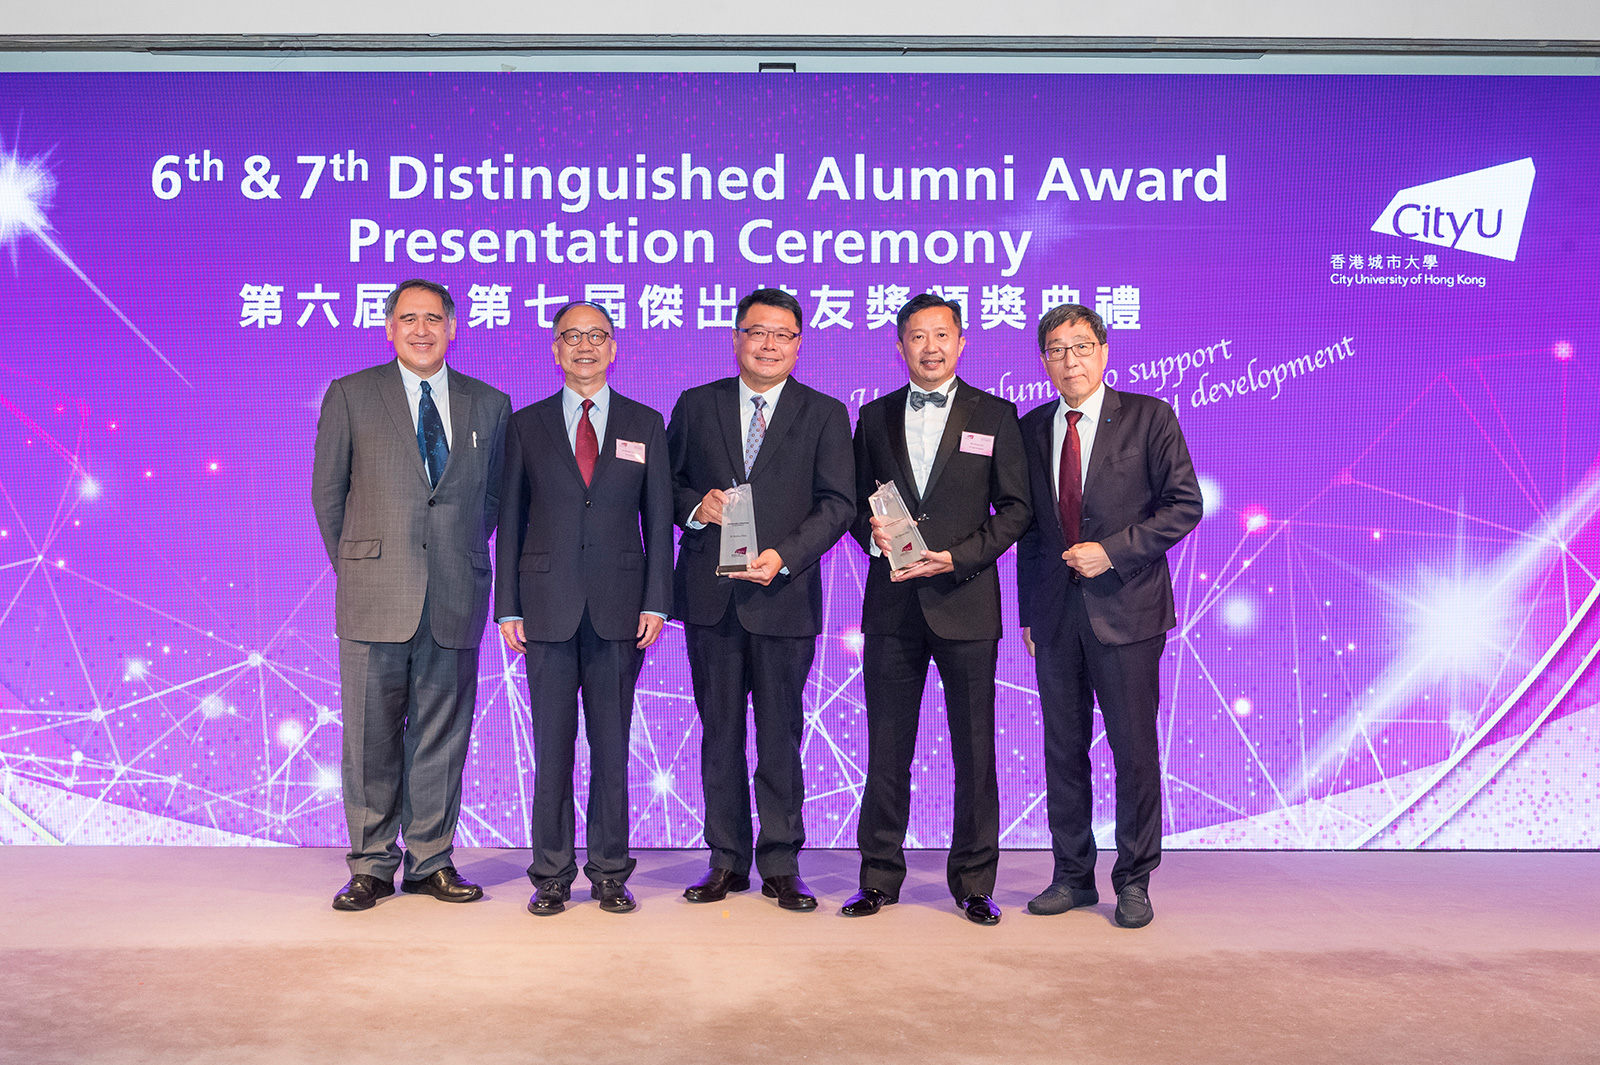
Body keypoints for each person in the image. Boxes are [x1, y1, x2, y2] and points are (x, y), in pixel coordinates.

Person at [313, 278, 511, 911]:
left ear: (453, 327)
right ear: (389, 329)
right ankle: (371, 864)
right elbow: (328, 495)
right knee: (369, 737)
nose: (421, 330)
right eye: (408, 319)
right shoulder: (351, 394)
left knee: (442, 738)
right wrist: (360, 566)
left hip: (454, 592)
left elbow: (492, 500)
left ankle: (430, 861)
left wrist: (452, 555)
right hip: (374, 593)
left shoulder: (490, 403)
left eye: (433, 319)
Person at [842, 293, 1032, 925]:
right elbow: (853, 504)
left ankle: (974, 881)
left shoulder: (996, 414)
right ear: (899, 346)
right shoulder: (873, 416)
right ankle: (878, 876)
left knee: (974, 750)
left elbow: (1016, 509)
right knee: (886, 746)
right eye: (917, 336)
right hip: (892, 605)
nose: (930, 347)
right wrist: (872, 537)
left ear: (961, 341)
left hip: (966, 602)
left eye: (941, 335)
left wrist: (957, 558)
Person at [666, 288, 855, 912]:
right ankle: (725, 859)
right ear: (736, 337)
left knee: (780, 737)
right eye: (757, 332)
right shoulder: (697, 405)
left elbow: (838, 504)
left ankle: (780, 863)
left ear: (799, 344)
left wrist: (786, 556)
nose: (769, 345)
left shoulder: (824, 413)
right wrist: (697, 507)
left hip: (784, 597)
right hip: (712, 600)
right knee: (719, 735)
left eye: (783, 335)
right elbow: (664, 485)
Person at [1016, 303, 1202, 928]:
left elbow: (1184, 505)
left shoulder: (1149, 417)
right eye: (1056, 350)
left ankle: (1134, 879)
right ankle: (1072, 876)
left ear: (1103, 351)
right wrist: (1029, 614)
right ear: (1044, 361)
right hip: (1055, 617)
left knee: (1133, 751)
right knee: (1063, 751)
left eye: (1081, 346)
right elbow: (1031, 531)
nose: (1069, 360)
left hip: (1128, 611)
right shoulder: (1031, 427)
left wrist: (1113, 551)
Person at [495, 301, 672, 917]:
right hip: (544, 608)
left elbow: (659, 521)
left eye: (597, 335)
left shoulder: (646, 423)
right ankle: (550, 872)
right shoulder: (527, 424)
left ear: (614, 348)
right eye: (572, 336)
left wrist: (657, 600)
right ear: (555, 350)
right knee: (552, 748)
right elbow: (511, 520)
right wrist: (507, 607)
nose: (585, 346)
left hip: (621, 609)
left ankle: (610, 871)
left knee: (612, 746)